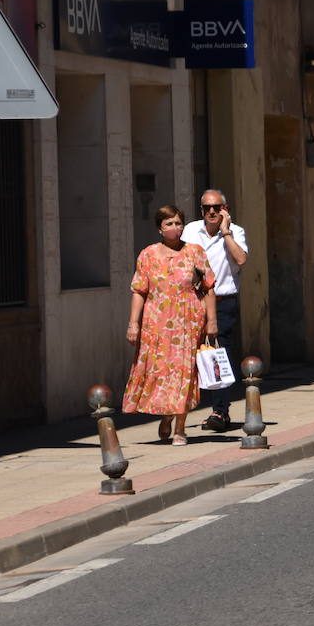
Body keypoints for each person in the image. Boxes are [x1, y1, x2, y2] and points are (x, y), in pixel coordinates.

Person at [123, 205, 217, 445]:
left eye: (178, 223)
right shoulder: (148, 255)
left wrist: (212, 321)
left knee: (184, 374)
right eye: (169, 224)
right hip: (157, 324)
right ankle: (166, 416)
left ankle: (180, 428)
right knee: (162, 373)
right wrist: (133, 324)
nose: (175, 228)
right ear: (159, 229)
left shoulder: (194, 252)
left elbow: (208, 286)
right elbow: (139, 291)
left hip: (188, 322)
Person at [182, 189, 249, 433]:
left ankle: (220, 411)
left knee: (220, 355)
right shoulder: (190, 231)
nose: (211, 211)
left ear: (225, 209)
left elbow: (241, 260)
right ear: (201, 211)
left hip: (223, 302)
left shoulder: (236, 232)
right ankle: (183, 409)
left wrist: (226, 232)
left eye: (217, 207)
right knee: (192, 356)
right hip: (193, 301)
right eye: (206, 208)